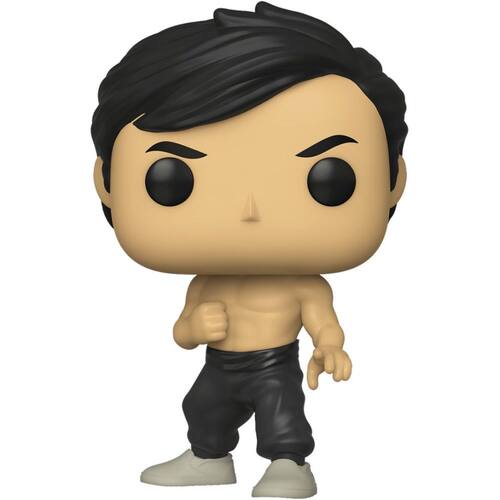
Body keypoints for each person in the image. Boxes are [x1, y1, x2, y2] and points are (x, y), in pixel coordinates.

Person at [91, 2, 407, 497]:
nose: (249, 210)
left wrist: (330, 347)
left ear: (393, 181)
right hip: (220, 365)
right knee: (201, 407)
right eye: (172, 180)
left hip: (273, 365)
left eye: (328, 179)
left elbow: (323, 321)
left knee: (282, 415)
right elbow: (182, 331)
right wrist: (194, 328)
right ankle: (208, 457)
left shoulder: (305, 286)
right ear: (106, 184)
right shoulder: (206, 283)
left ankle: (289, 463)